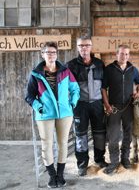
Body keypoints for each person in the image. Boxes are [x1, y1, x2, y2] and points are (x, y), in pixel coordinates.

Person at [25, 41, 80, 188]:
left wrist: (72, 103)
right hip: (45, 115)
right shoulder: (36, 74)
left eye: (53, 52)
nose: (51, 55)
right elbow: (29, 96)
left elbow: (75, 89)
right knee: (47, 145)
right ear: (42, 54)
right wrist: (39, 107)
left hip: (64, 114)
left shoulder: (65, 71)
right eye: (48, 52)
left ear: (57, 54)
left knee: (62, 144)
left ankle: (60, 176)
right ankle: (52, 176)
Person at [66, 36, 108, 176]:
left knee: (100, 133)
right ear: (77, 47)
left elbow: (104, 86)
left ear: (91, 47)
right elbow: (66, 87)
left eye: (87, 45)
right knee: (80, 135)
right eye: (81, 45)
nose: (84, 48)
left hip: (97, 104)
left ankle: (99, 159)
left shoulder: (99, 64)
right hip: (80, 105)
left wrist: (106, 104)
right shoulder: (70, 66)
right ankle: (82, 164)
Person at [101, 45, 139, 174]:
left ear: (128, 55)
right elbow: (103, 88)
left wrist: (138, 92)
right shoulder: (109, 69)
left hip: (128, 106)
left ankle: (125, 159)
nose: (124, 56)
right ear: (116, 54)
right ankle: (114, 162)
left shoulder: (133, 69)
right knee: (113, 136)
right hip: (113, 107)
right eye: (122, 53)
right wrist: (107, 105)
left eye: (126, 54)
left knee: (128, 134)